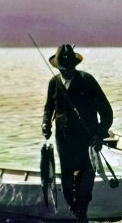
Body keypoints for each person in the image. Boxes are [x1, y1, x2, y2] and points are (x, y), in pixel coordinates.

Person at [41, 44, 113, 221]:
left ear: (75, 65)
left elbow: (106, 111)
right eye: (63, 69)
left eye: (69, 68)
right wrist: (45, 124)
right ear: (58, 67)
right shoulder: (54, 83)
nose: (66, 71)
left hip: (86, 141)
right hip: (63, 142)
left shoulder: (87, 80)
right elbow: (48, 108)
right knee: (67, 179)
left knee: (85, 179)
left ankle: (83, 213)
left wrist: (100, 134)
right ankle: (75, 212)